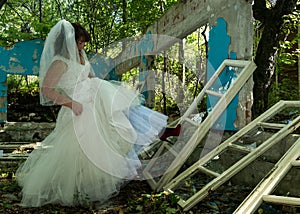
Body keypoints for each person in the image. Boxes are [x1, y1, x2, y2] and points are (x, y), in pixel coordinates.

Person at [16, 20, 168, 207]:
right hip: (78, 105)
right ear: (69, 43)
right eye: (80, 42)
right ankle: (83, 185)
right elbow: (47, 90)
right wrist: (71, 104)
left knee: (119, 122)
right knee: (87, 146)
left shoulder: (79, 57)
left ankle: (161, 131)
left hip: (96, 99)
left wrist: (103, 90)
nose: (83, 46)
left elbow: (89, 77)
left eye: (83, 43)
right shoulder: (59, 63)